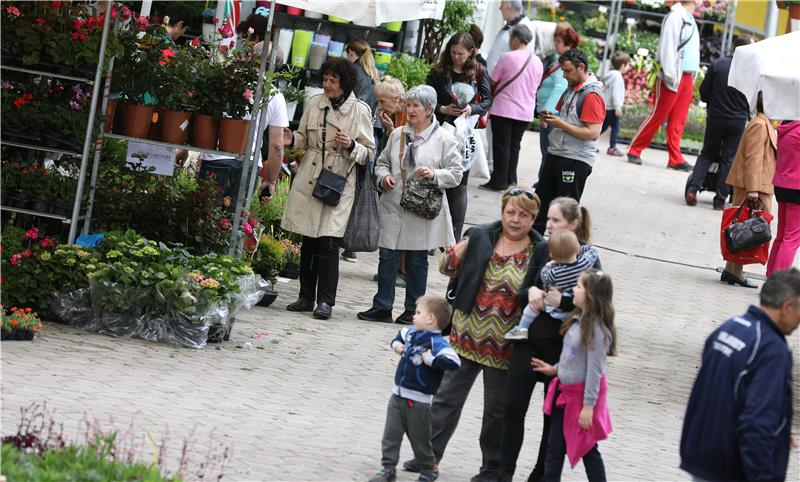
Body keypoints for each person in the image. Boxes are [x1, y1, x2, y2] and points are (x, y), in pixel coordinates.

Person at [402, 187, 543, 482]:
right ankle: (427, 457)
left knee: (497, 412)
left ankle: (491, 468)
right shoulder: (482, 236)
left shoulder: (539, 251)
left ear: (534, 218)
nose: (516, 220)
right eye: (510, 212)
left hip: (506, 347)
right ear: (502, 212)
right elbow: (446, 267)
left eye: (524, 215)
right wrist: (463, 247)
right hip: (465, 337)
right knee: (444, 400)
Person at [501, 197, 599, 482]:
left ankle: (542, 473)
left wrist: (565, 300)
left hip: (563, 349)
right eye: (549, 219)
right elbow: (523, 289)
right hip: (530, 341)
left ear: (574, 224)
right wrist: (530, 292)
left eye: (555, 220)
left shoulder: (589, 256)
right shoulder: (545, 249)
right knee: (512, 405)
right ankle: (502, 472)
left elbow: (597, 300)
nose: (549, 225)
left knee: (552, 417)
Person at [679, 268, 800, 482]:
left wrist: (779, 433)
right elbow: (757, 422)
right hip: (733, 465)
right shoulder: (772, 350)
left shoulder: (730, 328)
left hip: (703, 453)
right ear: (787, 307)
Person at [357, 85, 463, 325]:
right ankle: (382, 306)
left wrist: (435, 174)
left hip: (423, 207)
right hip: (394, 202)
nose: (410, 110)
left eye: (416, 105)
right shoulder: (397, 135)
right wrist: (384, 177)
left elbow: (456, 173)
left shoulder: (445, 139)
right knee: (387, 255)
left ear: (429, 109)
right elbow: (382, 163)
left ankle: (413, 310)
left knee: (416, 260)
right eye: (409, 104)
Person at [281, 59, 376, 320]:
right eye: (325, 79)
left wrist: (351, 146)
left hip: (339, 179)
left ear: (344, 83)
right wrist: (291, 140)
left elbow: (369, 152)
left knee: (329, 240)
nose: (327, 85)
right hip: (311, 175)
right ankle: (305, 296)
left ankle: (326, 302)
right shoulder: (314, 103)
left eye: (333, 81)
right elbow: (302, 138)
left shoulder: (360, 110)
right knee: (308, 238)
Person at [531, 268, 616, 482]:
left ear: (589, 295)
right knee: (554, 447)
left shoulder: (597, 331)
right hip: (564, 394)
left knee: (587, 449)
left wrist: (588, 407)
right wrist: (555, 370)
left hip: (581, 399)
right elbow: (572, 356)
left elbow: (594, 371)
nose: (573, 290)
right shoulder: (578, 320)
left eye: (578, 286)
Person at [368, 296, 461, 482]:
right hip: (397, 395)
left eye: (418, 313)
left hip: (418, 401)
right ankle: (388, 468)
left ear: (430, 319)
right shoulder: (410, 334)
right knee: (390, 434)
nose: (413, 316)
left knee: (420, 439)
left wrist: (431, 360)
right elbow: (396, 339)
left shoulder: (437, 343)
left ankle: (428, 468)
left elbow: (454, 361)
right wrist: (398, 347)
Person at [427, 32, 492, 241]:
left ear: (471, 53)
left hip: (463, 134)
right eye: (453, 53)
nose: (457, 57)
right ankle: (432, 233)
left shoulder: (479, 71)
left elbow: (488, 101)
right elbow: (426, 97)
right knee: (436, 179)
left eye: (461, 54)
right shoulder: (439, 71)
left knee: (459, 184)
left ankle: (453, 236)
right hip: (439, 129)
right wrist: (442, 108)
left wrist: (471, 109)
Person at [533, 49, 605, 235]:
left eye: (567, 71)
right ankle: (534, 252)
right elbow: (563, 117)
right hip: (556, 154)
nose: (564, 76)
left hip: (575, 160)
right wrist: (550, 117)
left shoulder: (591, 95)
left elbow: (593, 133)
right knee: (540, 208)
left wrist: (561, 124)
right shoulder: (570, 89)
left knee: (565, 215)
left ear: (581, 67)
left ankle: (565, 255)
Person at [626, 0, 701, 171]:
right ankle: (635, 149)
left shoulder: (687, 17)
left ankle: (675, 158)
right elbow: (667, 47)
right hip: (674, 75)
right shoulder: (676, 17)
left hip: (686, 75)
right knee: (658, 115)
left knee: (678, 119)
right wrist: (670, 74)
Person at [685, 35, 753, 210]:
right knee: (729, 159)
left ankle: (693, 189)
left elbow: (704, 90)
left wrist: (712, 103)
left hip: (716, 117)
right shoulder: (750, 70)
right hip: (737, 120)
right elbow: (753, 98)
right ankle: (720, 199)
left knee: (707, 153)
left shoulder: (718, 64)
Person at [721, 93, 776, 289]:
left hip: (755, 185)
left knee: (742, 227)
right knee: (747, 229)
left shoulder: (762, 123)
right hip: (753, 186)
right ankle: (735, 272)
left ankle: (732, 270)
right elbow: (753, 158)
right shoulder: (760, 125)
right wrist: (753, 190)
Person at [481, 24, 543, 191]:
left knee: (501, 145)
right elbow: (536, 85)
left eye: (510, 38)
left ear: (516, 38)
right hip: (525, 111)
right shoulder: (537, 61)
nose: (509, 41)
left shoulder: (508, 57)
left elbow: (493, 80)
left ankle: (499, 180)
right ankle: (510, 180)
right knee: (514, 146)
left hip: (504, 108)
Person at [505, 230, 599, 341]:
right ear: (577, 249)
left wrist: (549, 264)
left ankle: (521, 328)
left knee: (533, 306)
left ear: (552, 255)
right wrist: (580, 250)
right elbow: (593, 250)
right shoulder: (584, 263)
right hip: (572, 312)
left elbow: (544, 279)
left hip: (553, 309)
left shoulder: (554, 273)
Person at [341, 38, 381, 263]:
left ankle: (344, 239)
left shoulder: (354, 72)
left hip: (353, 135)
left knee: (346, 186)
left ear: (351, 52)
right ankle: (351, 245)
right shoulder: (373, 74)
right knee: (359, 188)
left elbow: (351, 106)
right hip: (370, 136)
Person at [535, 27, 579, 180]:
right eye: (555, 40)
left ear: (569, 45)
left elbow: (560, 87)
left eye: (559, 42)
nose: (555, 44)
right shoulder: (558, 60)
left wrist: (547, 112)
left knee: (548, 152)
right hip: (551, 114)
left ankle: (542, 184)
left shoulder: (565, 64)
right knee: (547, 152)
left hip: (551, 115)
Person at [767, 121, 800, 276]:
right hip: (796, 187)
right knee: (792, 239)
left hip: (782, 184)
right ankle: (778, 284)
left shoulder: (785, 127)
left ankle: (771, 278)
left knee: (782, 236)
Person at [486, 1, 537, 75]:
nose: (500, 8)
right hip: (492, 80)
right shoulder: (512, 23)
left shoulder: (525, 26)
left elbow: (521, 61)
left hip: (502, 82)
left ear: (509, 7)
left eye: (502, 5)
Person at [600, 52, 630, 157]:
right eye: (628, 65)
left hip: (606, 106)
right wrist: (618, 107)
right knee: (615, 128)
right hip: (613, 107)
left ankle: (588, 141)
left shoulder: (610, 75)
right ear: (623, 66)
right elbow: (615, 92)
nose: (628, 67)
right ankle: (612, 147)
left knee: (603, 127)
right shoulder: (617, 77)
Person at [345, 38, 379, 114]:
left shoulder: (352, 71)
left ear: (350, 52)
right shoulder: (373, 72)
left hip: (353, 115)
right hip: (368, 117)